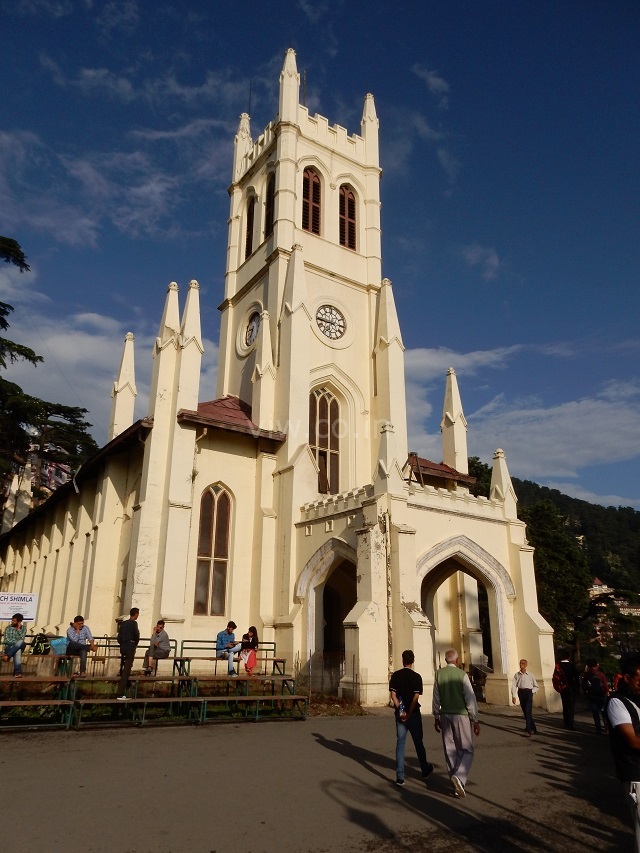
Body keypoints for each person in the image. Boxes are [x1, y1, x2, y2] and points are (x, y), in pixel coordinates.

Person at [432, 648, 480, 798]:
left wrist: (436, 716)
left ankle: (456, 782)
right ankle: (459, 777)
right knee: (467, 749)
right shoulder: (462, 675)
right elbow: (470, 698)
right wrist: (475, 719)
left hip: (445, 714)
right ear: (456, 660)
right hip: (461, 715)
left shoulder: (439, 674)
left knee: (450, 749)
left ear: (446, 660)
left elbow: (436, 697)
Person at [604, 655, 640, 853]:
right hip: (635, 773)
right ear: (626, 678)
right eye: (639, 680)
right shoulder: (617, 703)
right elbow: (632, 740)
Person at [389, 649, 434, 786]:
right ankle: (425, 769)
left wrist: (400, 710)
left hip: (400, 715)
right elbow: (416, 697)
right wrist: (409, 712)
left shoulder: (396, 675)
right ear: (413, 661)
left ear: (402, 660)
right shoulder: (416, 677)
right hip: (413, 714)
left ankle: (400, 776)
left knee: (400, 744)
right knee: (418, 742)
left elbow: (393, 695)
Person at [553, 651, 581, 730]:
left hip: (562, 688)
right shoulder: (571, 666)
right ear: (568, 657)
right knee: (571, 707)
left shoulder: (558, 666)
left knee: (565, 706)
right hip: (571, 687)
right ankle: (571, 724)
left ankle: (566, 723)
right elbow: (576, 677)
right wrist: (578, 688)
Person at [511, 659, 539, 736]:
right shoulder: (517, 675)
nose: (521, 665)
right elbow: (514, 685)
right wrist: (513, 696)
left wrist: (531, 692)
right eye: (520, 663)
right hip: (521, 692)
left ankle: (528, 730)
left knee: (527, 710)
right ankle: (533, 728)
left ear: (526, 665)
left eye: (523, 663)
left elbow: (536, 686)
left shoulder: (530, 675)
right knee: (526, 712)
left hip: (528, 692)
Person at [116, 607, 140, 699]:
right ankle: (120, 692)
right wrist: (134, 644)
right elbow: (136, 635)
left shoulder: (124, 623)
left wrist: (123, 643)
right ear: (136, 614)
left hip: (123, 647)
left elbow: (119, 637)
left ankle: (123, 685)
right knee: (127, 669)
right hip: (130, 647)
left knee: (123, 666)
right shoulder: (134, 623)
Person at [583, 658, 609, 734]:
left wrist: (586, 692)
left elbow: (584, 685)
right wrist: (607, 692)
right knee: (604, 712)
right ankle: (607, 728)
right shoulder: (600, 674)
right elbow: (605, 684)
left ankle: (598, 729)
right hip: (601, 695)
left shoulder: (587, 674)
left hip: (592, 695)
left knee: (595, 713)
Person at [2, 613, 27, 678]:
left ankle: (8, 656)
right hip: (9, 647)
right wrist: (16, 644)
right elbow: (7, 640)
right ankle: (18, 673)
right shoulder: (8, 628)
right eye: (12, 620)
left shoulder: (23, 628)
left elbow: (22, 639)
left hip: (17, 647)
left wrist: (18, 629)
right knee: (18, 650)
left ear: (19, 622)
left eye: (14, 621)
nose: (12, 622)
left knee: (21, 642)